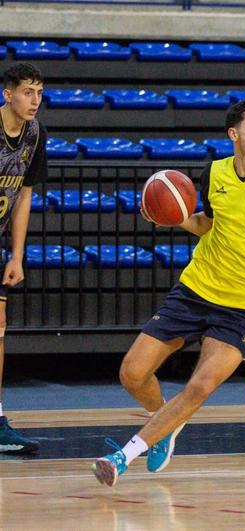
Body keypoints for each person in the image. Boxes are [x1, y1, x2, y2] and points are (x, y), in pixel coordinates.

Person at [91, 100, 245, 487]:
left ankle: (124, 456)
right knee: (132, 374)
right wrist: (173, 217)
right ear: (233, 134)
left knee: (200, 385)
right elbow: (208, 223)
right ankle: (165, 428)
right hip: (197, 288)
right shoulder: (214, 172)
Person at [0, 63, 47, 454]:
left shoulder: (34, 134)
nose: (35, 100)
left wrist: (17, 255)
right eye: (28, 92)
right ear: (7, 94)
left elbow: (24, 195)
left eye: (39, 93)